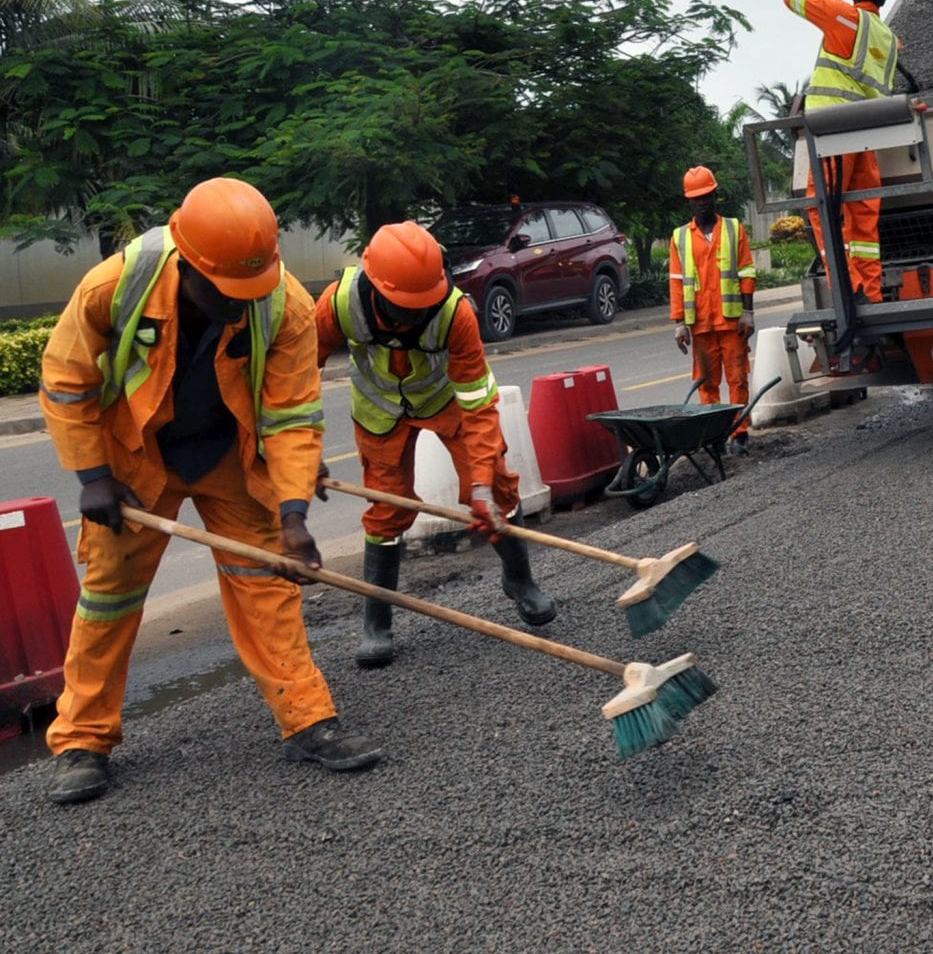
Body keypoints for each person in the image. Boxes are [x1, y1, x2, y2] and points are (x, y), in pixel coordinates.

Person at [38, 177, 381, 804]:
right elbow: (66, 383)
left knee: (266, 586)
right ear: (186, 264)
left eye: (247, 293)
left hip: (225, 453)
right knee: (109, 598)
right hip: (135, 460)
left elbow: (293, 416)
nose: (237, 306)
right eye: (224, 294)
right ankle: (82, 741)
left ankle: (307, 719)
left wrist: (294, 513)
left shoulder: (285, 306)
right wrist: (93, 478)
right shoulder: (114, 288)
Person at [313, 221, 555, 668]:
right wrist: (305, 450)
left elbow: (479, 404)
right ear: (377, 288)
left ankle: (519, 580)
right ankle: (377, 621)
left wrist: (480, 484)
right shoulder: (338, 305)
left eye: (422, 305)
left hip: (445, 401)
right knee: (387, 509)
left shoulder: (455, 312)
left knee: (497, 490)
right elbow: (297, 372)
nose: (414, 315)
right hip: (379, 411)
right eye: (405, 307)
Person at [784, 0, 902, 305]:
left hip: (834, 133)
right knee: (863, 217)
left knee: (822, 207)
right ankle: (871, 291)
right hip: (867, 135)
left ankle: (849, 290)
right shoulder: (890, 39)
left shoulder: (843, 17)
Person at [669, 166, 757, 454]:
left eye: (706, 196)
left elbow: (746, 271)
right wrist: (679, 322)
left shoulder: (734, 229)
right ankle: (713, 436)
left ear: (715, 195)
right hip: (702, 324)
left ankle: (739, 432)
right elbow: (677, 281)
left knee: (737, 378)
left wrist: (748, 312)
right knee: (707, 383)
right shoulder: (680, 237)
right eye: (696, 198)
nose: (702, 202)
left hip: (731, 321)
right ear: (689, 202)